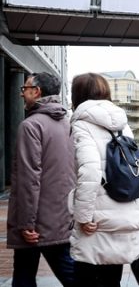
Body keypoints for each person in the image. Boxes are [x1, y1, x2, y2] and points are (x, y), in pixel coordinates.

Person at [69, 73, 139, 286]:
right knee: (112, 279)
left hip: (97, 219)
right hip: (126, 211)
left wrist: (84, 217)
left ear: (77, 95)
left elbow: (90, 172)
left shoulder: (82, 124)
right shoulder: (123, 125)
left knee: (84, 277)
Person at [8, 72, 76, 287]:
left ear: (36, 92)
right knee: (62, 271)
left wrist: (26, 222)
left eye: (24, 89)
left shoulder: (31, 126)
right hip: (61, 215)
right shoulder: (67, 124)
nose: (21, 94)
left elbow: (28, 177)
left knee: (26, 276)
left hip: (36, 222)